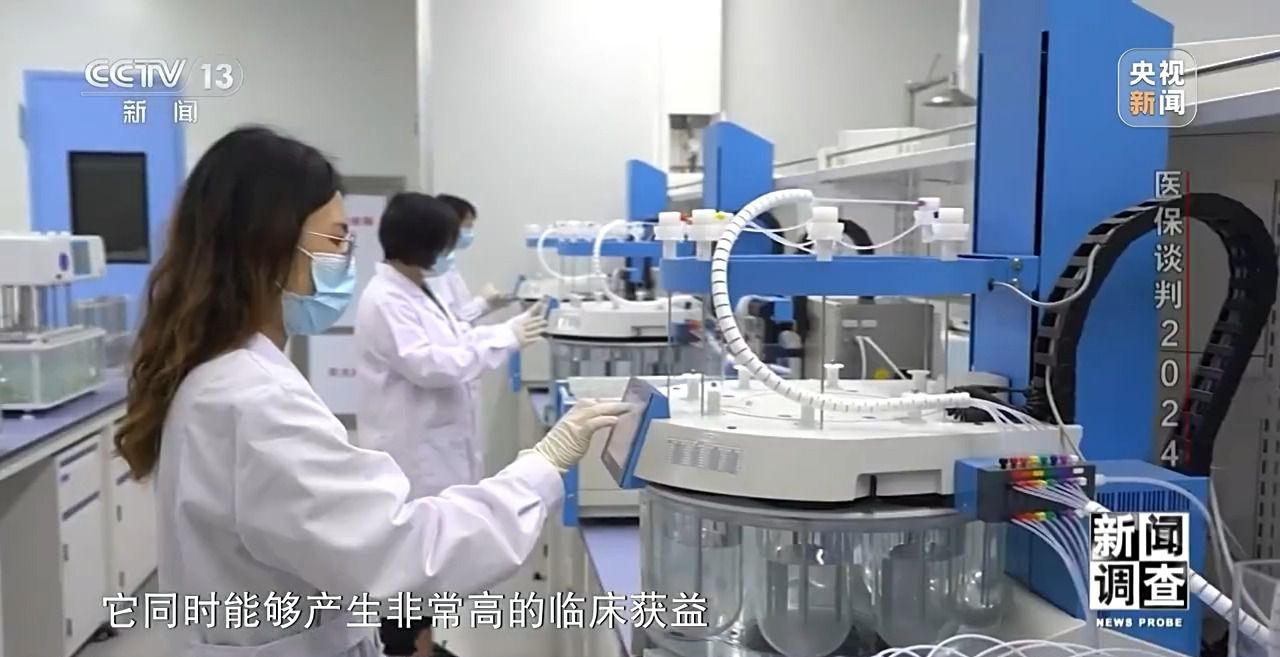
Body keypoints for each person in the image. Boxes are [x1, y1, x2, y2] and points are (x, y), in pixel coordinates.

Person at [114, 126, 630, 657]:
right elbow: (406, 555)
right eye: (335, 240)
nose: (345, 258)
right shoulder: (254, 399)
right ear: (268, 246)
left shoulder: (223, 375)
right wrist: (542, 467)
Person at [353, 193, 549, 656]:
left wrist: (504, 331)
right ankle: (407, 648)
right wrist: (505, 338)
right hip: (412, 454)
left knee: (429, 568)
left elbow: (456, 337)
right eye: (444, 243)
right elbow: (432, 364)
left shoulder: (417, 287)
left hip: (436, 446)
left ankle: (422, 643)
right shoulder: (385, 299)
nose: (449, 253)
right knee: (411, 569)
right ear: (422, 244)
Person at [429, 194, 513, 323]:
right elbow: (451, 320)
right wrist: (484, 302)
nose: (470, 233)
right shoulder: (434, 268)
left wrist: (489, 304)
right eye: (467, 227)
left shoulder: (447, 263)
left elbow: (459, 312)